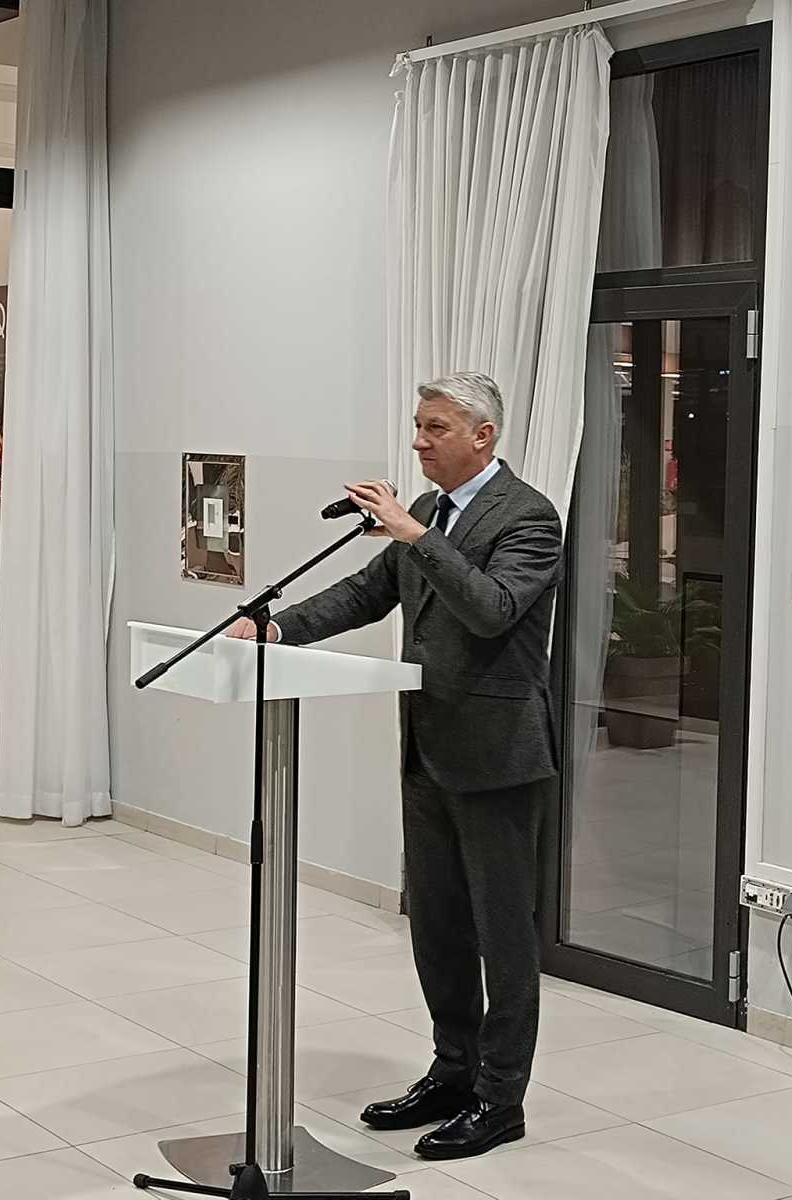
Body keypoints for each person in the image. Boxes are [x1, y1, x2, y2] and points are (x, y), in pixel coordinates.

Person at [228, 370, 561, 1161]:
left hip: (499, 756)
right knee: (437, 926)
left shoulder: (528, 516)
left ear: (482, 435)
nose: (418, 441)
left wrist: (417, 536)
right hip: (427, 748)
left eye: (434, 427)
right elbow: (362, 593)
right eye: (418, 425)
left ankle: (500, 1099)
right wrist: (275, 629)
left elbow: (492, 610)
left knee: (502, 936)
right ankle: (453, 1071)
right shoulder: (429, 513)